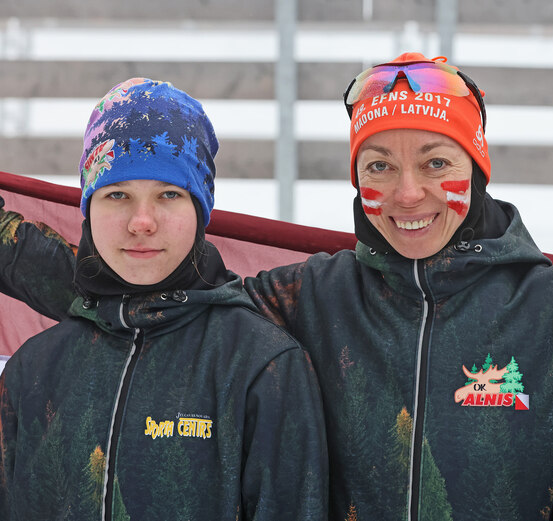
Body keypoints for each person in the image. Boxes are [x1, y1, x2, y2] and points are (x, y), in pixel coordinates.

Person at [0, 55, 553, 521]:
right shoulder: (311, 298)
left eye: (436, 162)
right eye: (379, 165)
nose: (407, 192)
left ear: (476, 169)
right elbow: (160, 295)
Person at [0, 78, 327, 520]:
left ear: (200, 208)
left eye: (169, 194)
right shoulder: (32, 370)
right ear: (88, 208)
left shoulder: (261, 364)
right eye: (117, 194)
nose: (142, 221)